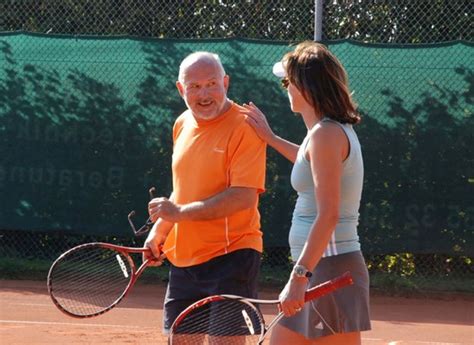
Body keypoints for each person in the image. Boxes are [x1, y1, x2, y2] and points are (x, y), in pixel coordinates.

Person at [242, 41, 371, 345]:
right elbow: (312, 162)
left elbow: (329, 214)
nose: (285, 87)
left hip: (329, 268)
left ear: (307, 87)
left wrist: (299, 277)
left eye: (288, 81)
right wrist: (271, 138)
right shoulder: (324, 133)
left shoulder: (326, 134)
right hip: (323, 267)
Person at [143, 51, 267, 335]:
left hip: (232, 255)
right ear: (180, 89)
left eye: (212, 84)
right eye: (194, 86)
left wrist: (179, 213)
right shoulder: (182, 123)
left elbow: (243, 196)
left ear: (226, 82)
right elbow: (183, 189)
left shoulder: (244, 126)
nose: (204, 94)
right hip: (185, 259)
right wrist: (161, 231)